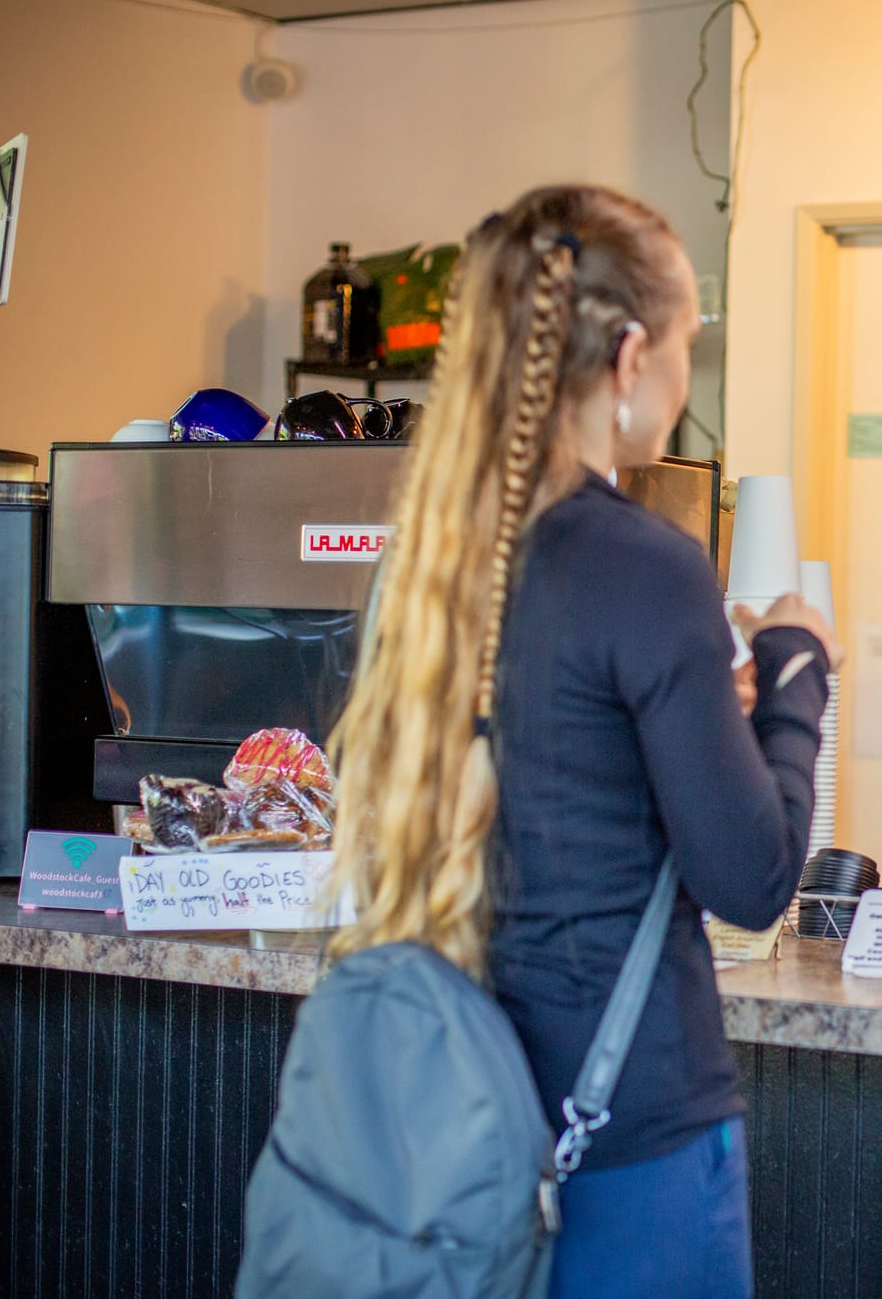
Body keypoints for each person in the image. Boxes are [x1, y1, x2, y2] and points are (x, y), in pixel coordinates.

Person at [322, 186, 837, 1298]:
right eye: (690, 344)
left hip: (447, 1111)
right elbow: (750, 877)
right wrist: (794, 674)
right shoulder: (645, 562)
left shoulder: (422, 565)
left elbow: (561, 770)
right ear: (632, 355)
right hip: (627, 1130)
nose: (685, 379)